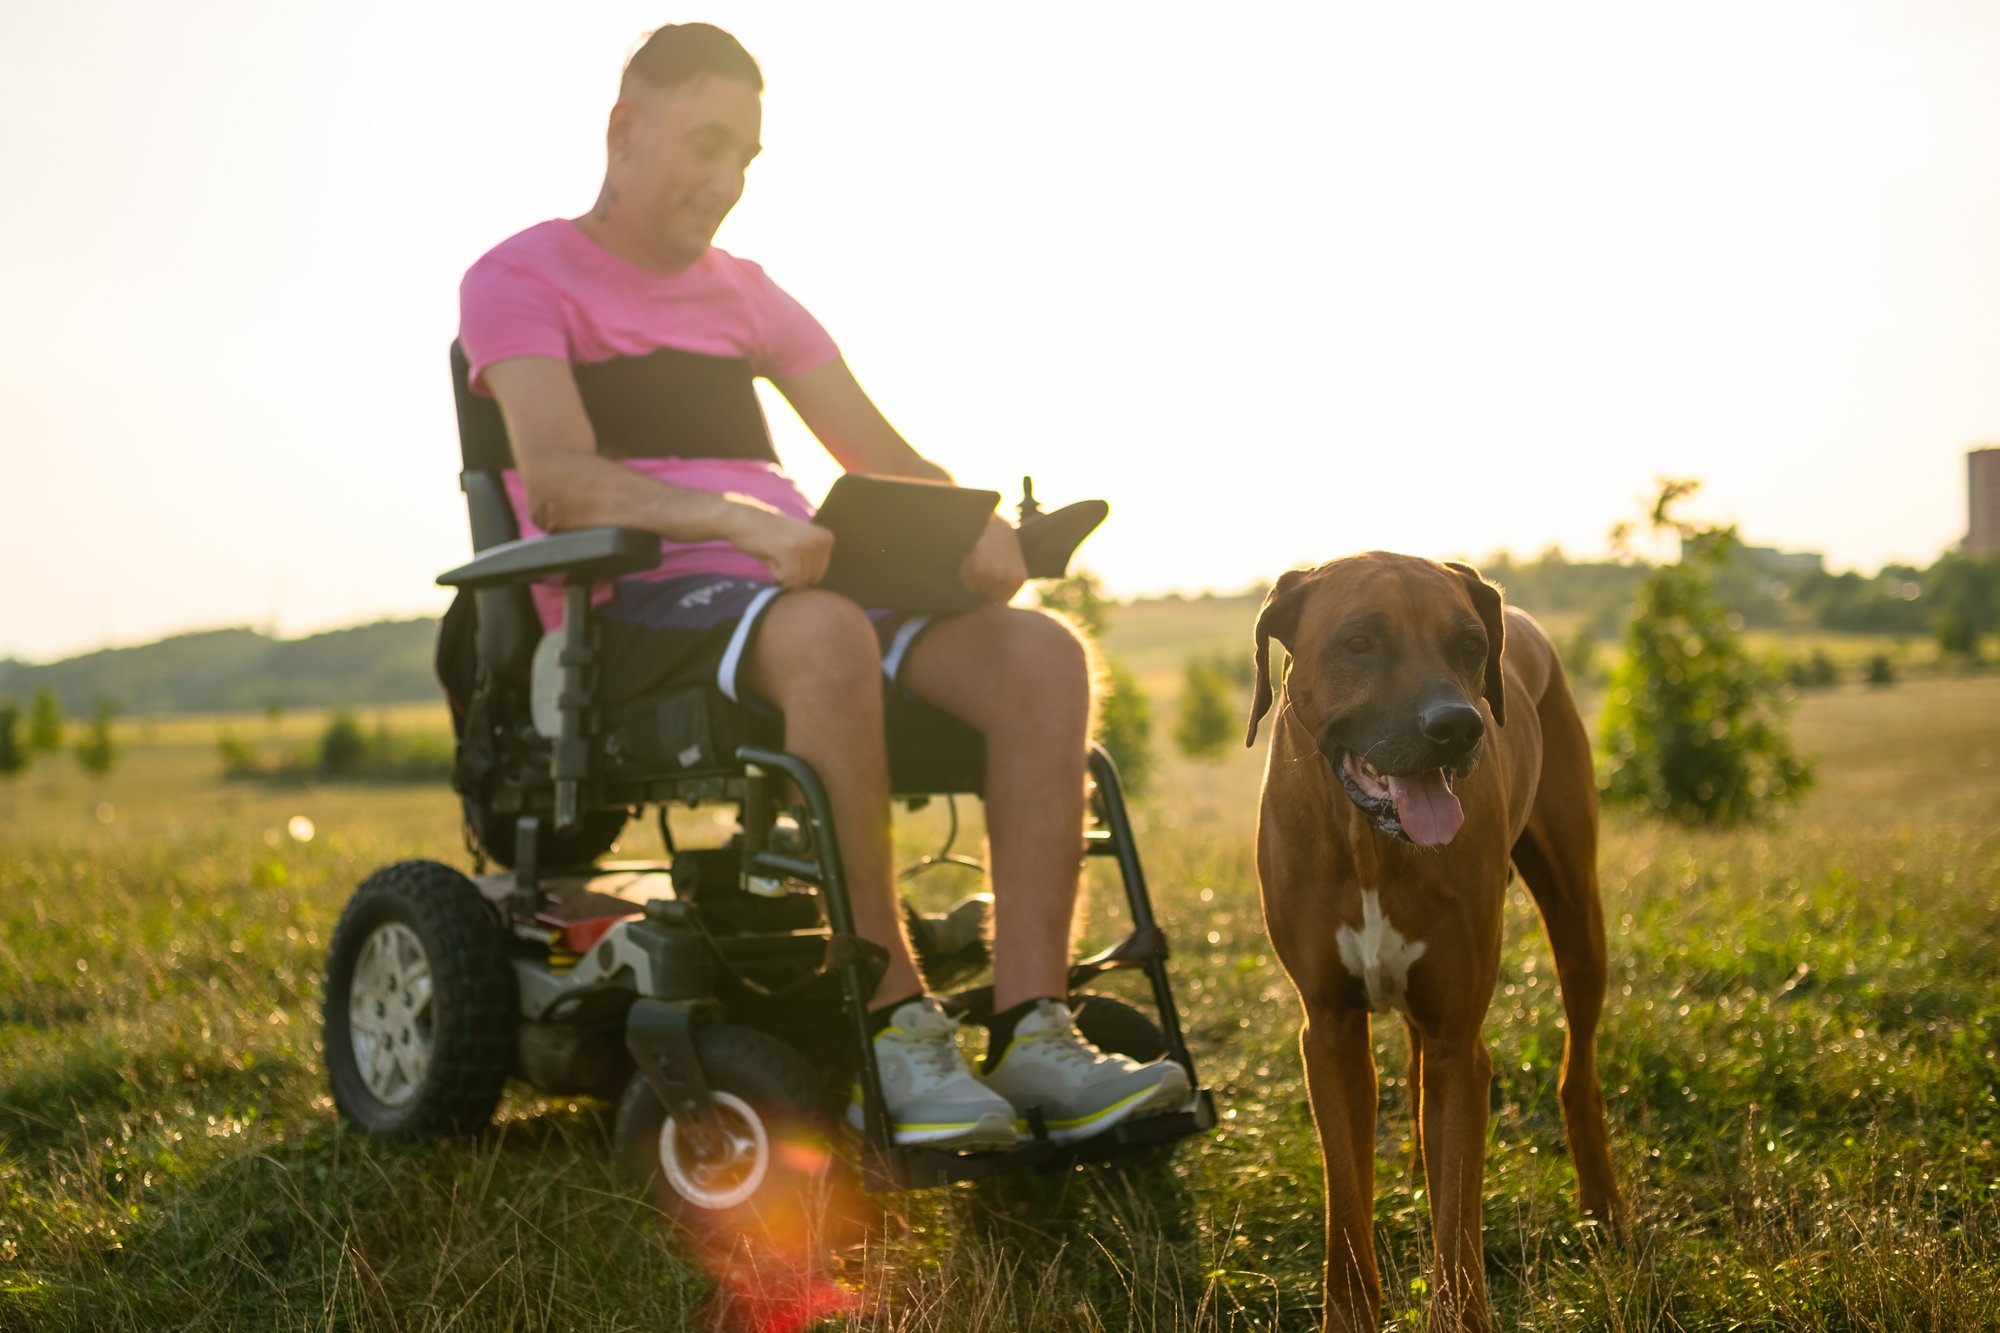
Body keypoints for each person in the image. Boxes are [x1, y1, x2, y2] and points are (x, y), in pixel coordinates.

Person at [458, 22, 1188, 1151]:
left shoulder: (748, 294)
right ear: (623, 128)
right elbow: (554, 483)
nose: (726, 182)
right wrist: (730, 519)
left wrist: (976, 525)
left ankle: (1033, 1025)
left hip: (798, 586)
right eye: (706, 145)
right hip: (638, 605)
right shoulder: (517, 276)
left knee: (1038, 651)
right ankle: (897, 1032)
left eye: (747, 158)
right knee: (827, 632)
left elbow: (884, 459)